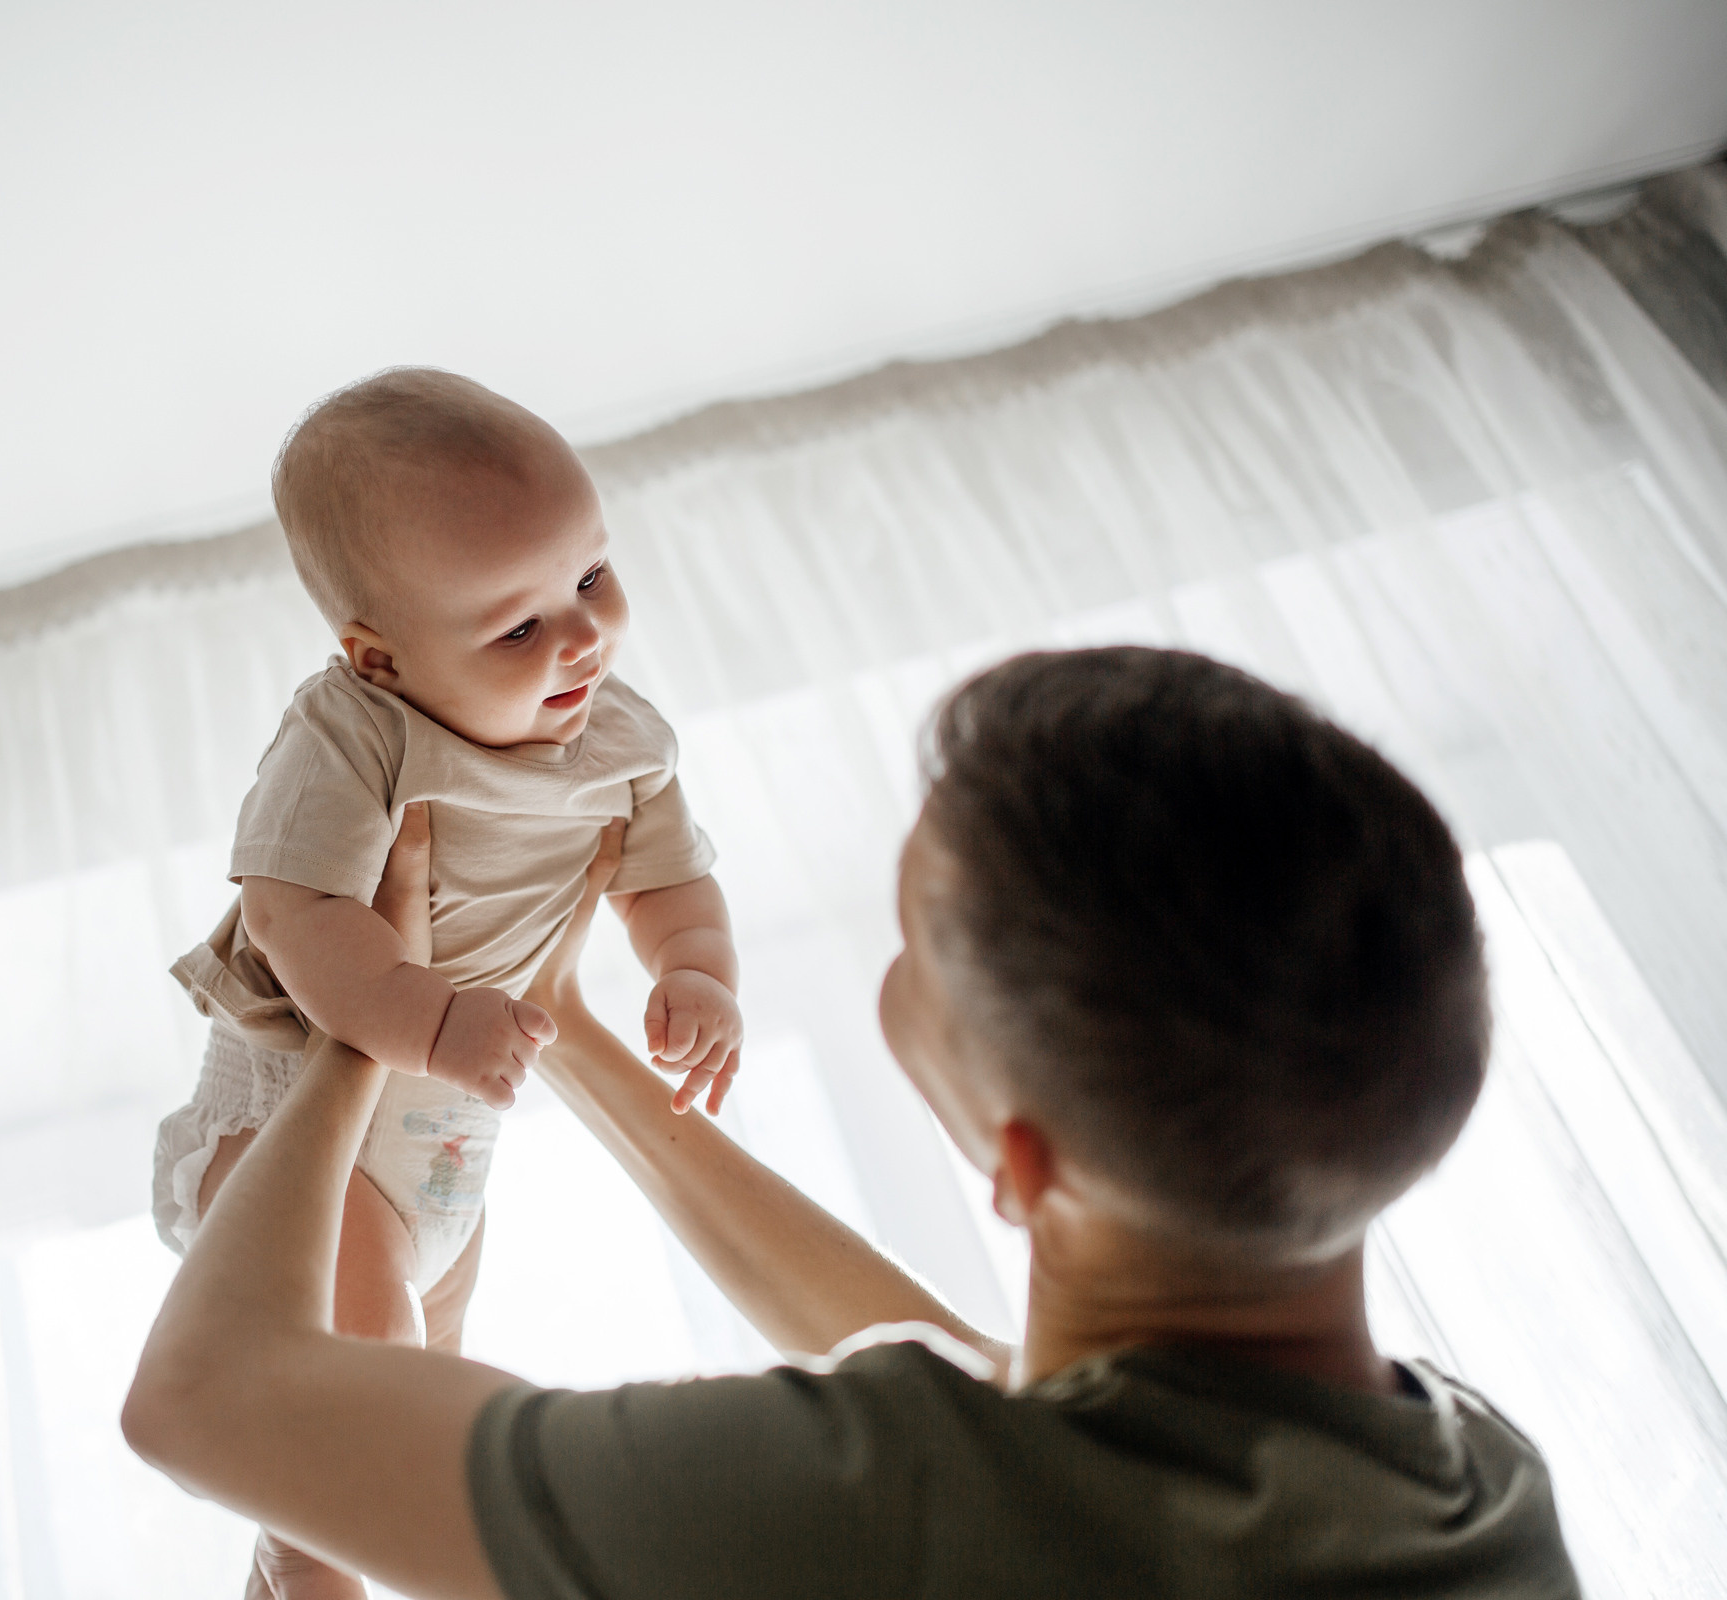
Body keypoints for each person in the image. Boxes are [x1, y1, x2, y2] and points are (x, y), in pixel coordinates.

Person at [124, 646, 1581, 1599]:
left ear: (1021, 1159)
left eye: (910, 947)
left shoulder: (877, 1516)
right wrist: (549, 1014)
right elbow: (962, 1391)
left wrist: (352, 1036)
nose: (886, 972)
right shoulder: (1467, 1483)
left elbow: (206, 1404)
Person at [151, 368, 744, 1596]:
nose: (580, 636)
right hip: (289, 1115)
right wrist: (423, 1014)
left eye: (589, 578)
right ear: (378, 655)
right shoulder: (356, 733)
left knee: (422, 1400)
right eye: (517, 626)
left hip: (452, 1155)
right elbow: (297, 913)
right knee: (364, 1411)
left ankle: (295, 1561)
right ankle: (297, 1557)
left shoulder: (622, 738)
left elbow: (671, 882)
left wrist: (697, 971)